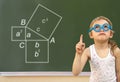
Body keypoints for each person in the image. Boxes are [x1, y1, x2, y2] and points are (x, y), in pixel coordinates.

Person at [72, 16, 120, 82]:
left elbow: (118, 73)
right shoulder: (88, 51)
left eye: (105, 27)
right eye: (97, 27)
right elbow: (76, 73)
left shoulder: (115, 50)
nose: (101, 29)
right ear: (91, 34)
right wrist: (78, 54)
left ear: (111, 34)